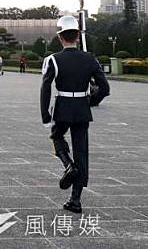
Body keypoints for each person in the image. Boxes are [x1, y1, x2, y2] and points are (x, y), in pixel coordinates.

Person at [41, 15, 110, 213]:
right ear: (78, 36)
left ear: (60, 38)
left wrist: (45, 114)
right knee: (82, 152)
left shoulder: (53, 59)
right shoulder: (90, 59)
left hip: (62, 107)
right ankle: (76, 200)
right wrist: (90, 102)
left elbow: (45, 88)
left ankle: (68, 164)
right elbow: (104, 88)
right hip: (82, 109)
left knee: (55, 136)